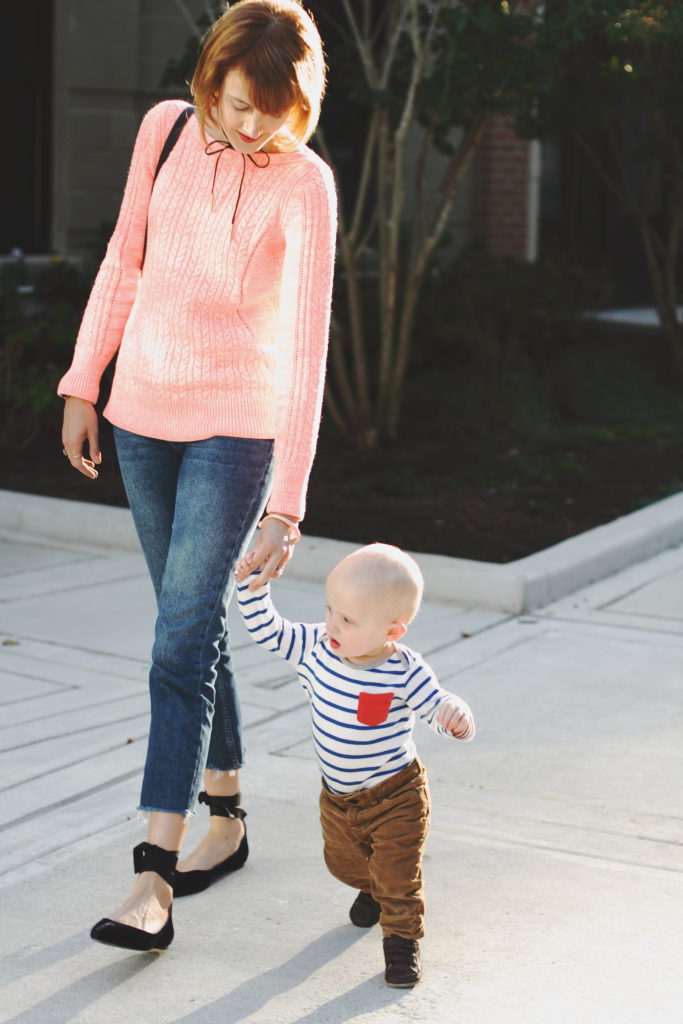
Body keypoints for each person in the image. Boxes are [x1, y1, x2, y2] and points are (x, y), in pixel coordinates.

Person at [58, 0, 336, 953]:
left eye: (266, 108)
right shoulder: (164, 130)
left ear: (295, 103)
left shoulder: (305, 186)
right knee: (195, 625)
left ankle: (153, 880)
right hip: (140, 416)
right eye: (230, 101)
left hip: (233, 434)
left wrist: (289, 502)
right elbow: (123, 260)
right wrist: (82, 379)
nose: (244, 124)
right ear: (206, 82)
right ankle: (228, 812)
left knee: (177, 642)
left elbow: (306, 352)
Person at [235, 542, 475, 987]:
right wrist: (254, 589)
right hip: (338, 798)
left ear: (393, 631)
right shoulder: (315, 646)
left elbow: (435, 705)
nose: (332, 625)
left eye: (347, 619)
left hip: (396, 794)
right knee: (344, 863)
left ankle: (401, 945)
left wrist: (453, 717)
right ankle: (370, 886)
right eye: (330, 610)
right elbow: (269, 632)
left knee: (399, 876)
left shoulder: (404, 670)